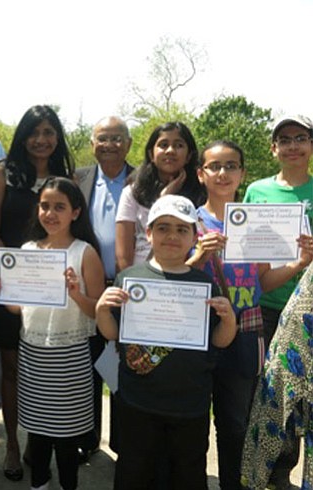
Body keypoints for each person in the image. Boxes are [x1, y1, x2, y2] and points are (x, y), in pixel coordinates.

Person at [188, 140, 313, 490]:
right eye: (214, 166)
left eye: (231, 166)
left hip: (246, 333)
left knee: (236, 425)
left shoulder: (253, 222)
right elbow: (174, 278)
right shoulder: (188, 221)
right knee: (193, 423)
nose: (223, 173)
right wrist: (198, 255)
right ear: (201, 174)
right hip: (198, 333)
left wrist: (298, 263)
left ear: (242, 173)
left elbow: (263, 281)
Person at [96, 194, 237, 490]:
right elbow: (112, 334)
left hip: (190, 401)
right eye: (162, 228)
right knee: (135, 471)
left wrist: (228, 320)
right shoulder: (129, 278)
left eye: (182, 229)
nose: (172, 235)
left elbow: (220, 342)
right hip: (138, 399)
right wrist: (101, 310)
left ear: (194, 238)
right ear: (148, 234)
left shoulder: (204, 284)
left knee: (186, 473)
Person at [0, 177, 104, 490]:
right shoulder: (28, 250)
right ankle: (38, 485)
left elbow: (97, 310)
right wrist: (2, 292)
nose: (50, 213)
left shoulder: (85, 253)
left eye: (59, 207)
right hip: (33, 353)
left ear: (76, 213)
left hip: (69, 356)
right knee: (38, 435)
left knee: (67, 440)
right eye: (44, 205)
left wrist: (75, 293)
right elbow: (18, 310)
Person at [0, 105, 75, 481]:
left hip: (54, 288)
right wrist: (13, 274)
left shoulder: (64, 177)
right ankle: (13, 446)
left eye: (49, 132)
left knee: (48, 366)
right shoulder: (2, 174)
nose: (41, 139)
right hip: (13, 284)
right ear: (22, 136)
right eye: (34, 132)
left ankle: (45, 443)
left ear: (57, 137)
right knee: (12, 367)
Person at [242, 115, 313, 489]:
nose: (293, 146)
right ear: (273, 149)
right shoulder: (257, 192)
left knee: (307, 394)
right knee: (273, 391)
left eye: (301, 138)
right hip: (269, 305)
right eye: (284, 139)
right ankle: (276, 469)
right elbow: (250, 250)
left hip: (311, 312)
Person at [75, 115, 134, 457]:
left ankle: (125, 441)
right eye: (102, 138)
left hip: (130, 289)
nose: (109, 144)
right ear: (92, 144)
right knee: (90, 366)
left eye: (116, 138)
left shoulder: (143, 180)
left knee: (127, 366)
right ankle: (89, 440)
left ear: (128, 144)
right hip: (89, 290)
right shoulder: (78, 178)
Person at [115, 121, 204, 273]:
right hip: (141, 278)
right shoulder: (132, 192)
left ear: (189, 156)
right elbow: (123, 256)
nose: (170, 151)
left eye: (178, 145)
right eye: (163, 145)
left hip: (188, 278)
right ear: (151, 154)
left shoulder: (201, 193)